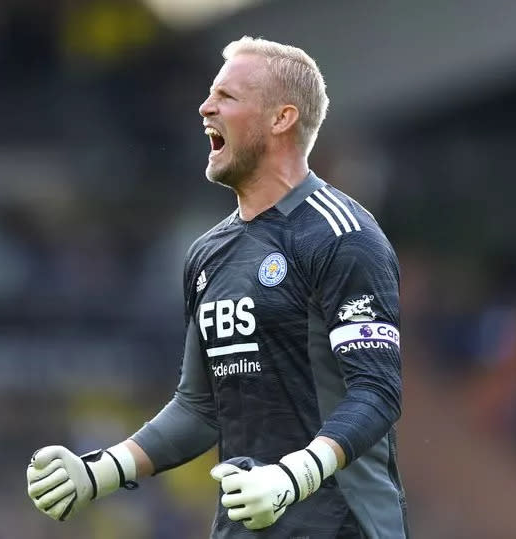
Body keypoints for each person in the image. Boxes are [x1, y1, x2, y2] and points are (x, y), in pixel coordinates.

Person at [26, 36, 408, 538]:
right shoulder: (209, 253)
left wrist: (294, 476)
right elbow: (200, 407)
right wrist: (100, 471)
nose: (205, 107)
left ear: (281, 118)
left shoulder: (343, 235)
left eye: (227, 97)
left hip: (344, 528)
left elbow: (377, 391)